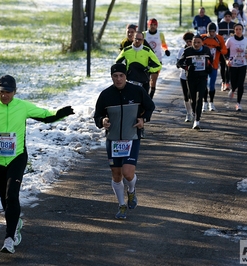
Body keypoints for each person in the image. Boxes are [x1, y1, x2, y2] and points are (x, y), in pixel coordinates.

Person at [0, 75, 75, 253]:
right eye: (2, 92)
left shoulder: (22, 106)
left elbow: (44, 115)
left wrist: (59, 114)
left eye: (8, 92)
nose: (5, 95)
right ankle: (15, 222)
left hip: (17, 156)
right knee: (4, 197)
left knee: (12, 196)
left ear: (14, 92)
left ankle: (10, 238)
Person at [94, 63, 155, 220]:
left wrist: (143, 119)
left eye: (121, 75)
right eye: (115, 76)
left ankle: (132, 190)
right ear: (111, 77)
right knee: (116, 175)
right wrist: (103, 121)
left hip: (132, 138)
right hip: (113, 140)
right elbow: (97, 116)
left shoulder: (137, 91)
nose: (118, 79)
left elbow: (150, 106)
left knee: (128, 173)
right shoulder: (106, 95)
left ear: (126, 76)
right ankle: (121, 205)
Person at [177, 35, 213, 129]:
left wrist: (209, 68)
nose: (196, 44)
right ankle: (193, 113)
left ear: (202, 43)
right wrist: (187, 67)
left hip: (202, 77)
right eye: (194, 43)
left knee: (199, 98)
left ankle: (197, 121)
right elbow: (179, 63)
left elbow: (211, 60)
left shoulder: (206, 50)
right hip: (191, 77)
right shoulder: (188, 51)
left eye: (198, 42)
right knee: (192, 99)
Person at [225, 23, 247, 111]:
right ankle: (233, 89)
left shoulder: (246, 40)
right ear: (234, 30)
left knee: (241, 84)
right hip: (232, 64)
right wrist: (227, 60)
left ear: (242, 30)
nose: (238, 31)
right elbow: (225, 52)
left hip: (242, 64)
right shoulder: (230, 40)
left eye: (240, 29)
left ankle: (238, 103)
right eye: (236, 29)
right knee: (234, 83)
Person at [201, 23, 228, 112]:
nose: (211, 34)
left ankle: (211, 103)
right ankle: (204, 103)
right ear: (207, 31)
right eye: (210, 32)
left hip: (214, 65)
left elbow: (225, 50)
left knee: (211, 85)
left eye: (213, 32)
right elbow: (195, 46)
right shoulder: (202, 38)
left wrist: (220, 49)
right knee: (204, 84)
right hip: (203, 65)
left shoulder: (219, 38)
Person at [143, 18, 170, 99]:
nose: (153, 26)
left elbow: (164, 44)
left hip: (157, 60)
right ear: (148, 25)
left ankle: (150, 97)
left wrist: (166, 50)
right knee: (146, 80)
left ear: (157, 25)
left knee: (153, 79)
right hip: (146, 60)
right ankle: (145, 96)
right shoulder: (144, 34)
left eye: (155, 25)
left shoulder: (160, 34)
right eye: (151, 25)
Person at [176, 32, 194, 122]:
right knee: (186, 96)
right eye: (187, 42)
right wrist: (185, 67)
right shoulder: (181, 51)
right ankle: (188, 113)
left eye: (191, 41)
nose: (189, 43)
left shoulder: (196, 50)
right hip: (183, 76)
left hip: (194, 76)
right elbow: (177, 64)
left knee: (192, 95)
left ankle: (194, 111)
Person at [218, 11, 235, 91]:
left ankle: (227, 83)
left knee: (229, 65)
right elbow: (217, 36)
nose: (228, 18)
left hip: (231, 49)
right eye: (226, 16)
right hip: (222, 48)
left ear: (231, 17)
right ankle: (223, 81)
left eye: (229, 16)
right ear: (224, 17)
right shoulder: (220, 25)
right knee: (222, 66)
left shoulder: (233, 25)